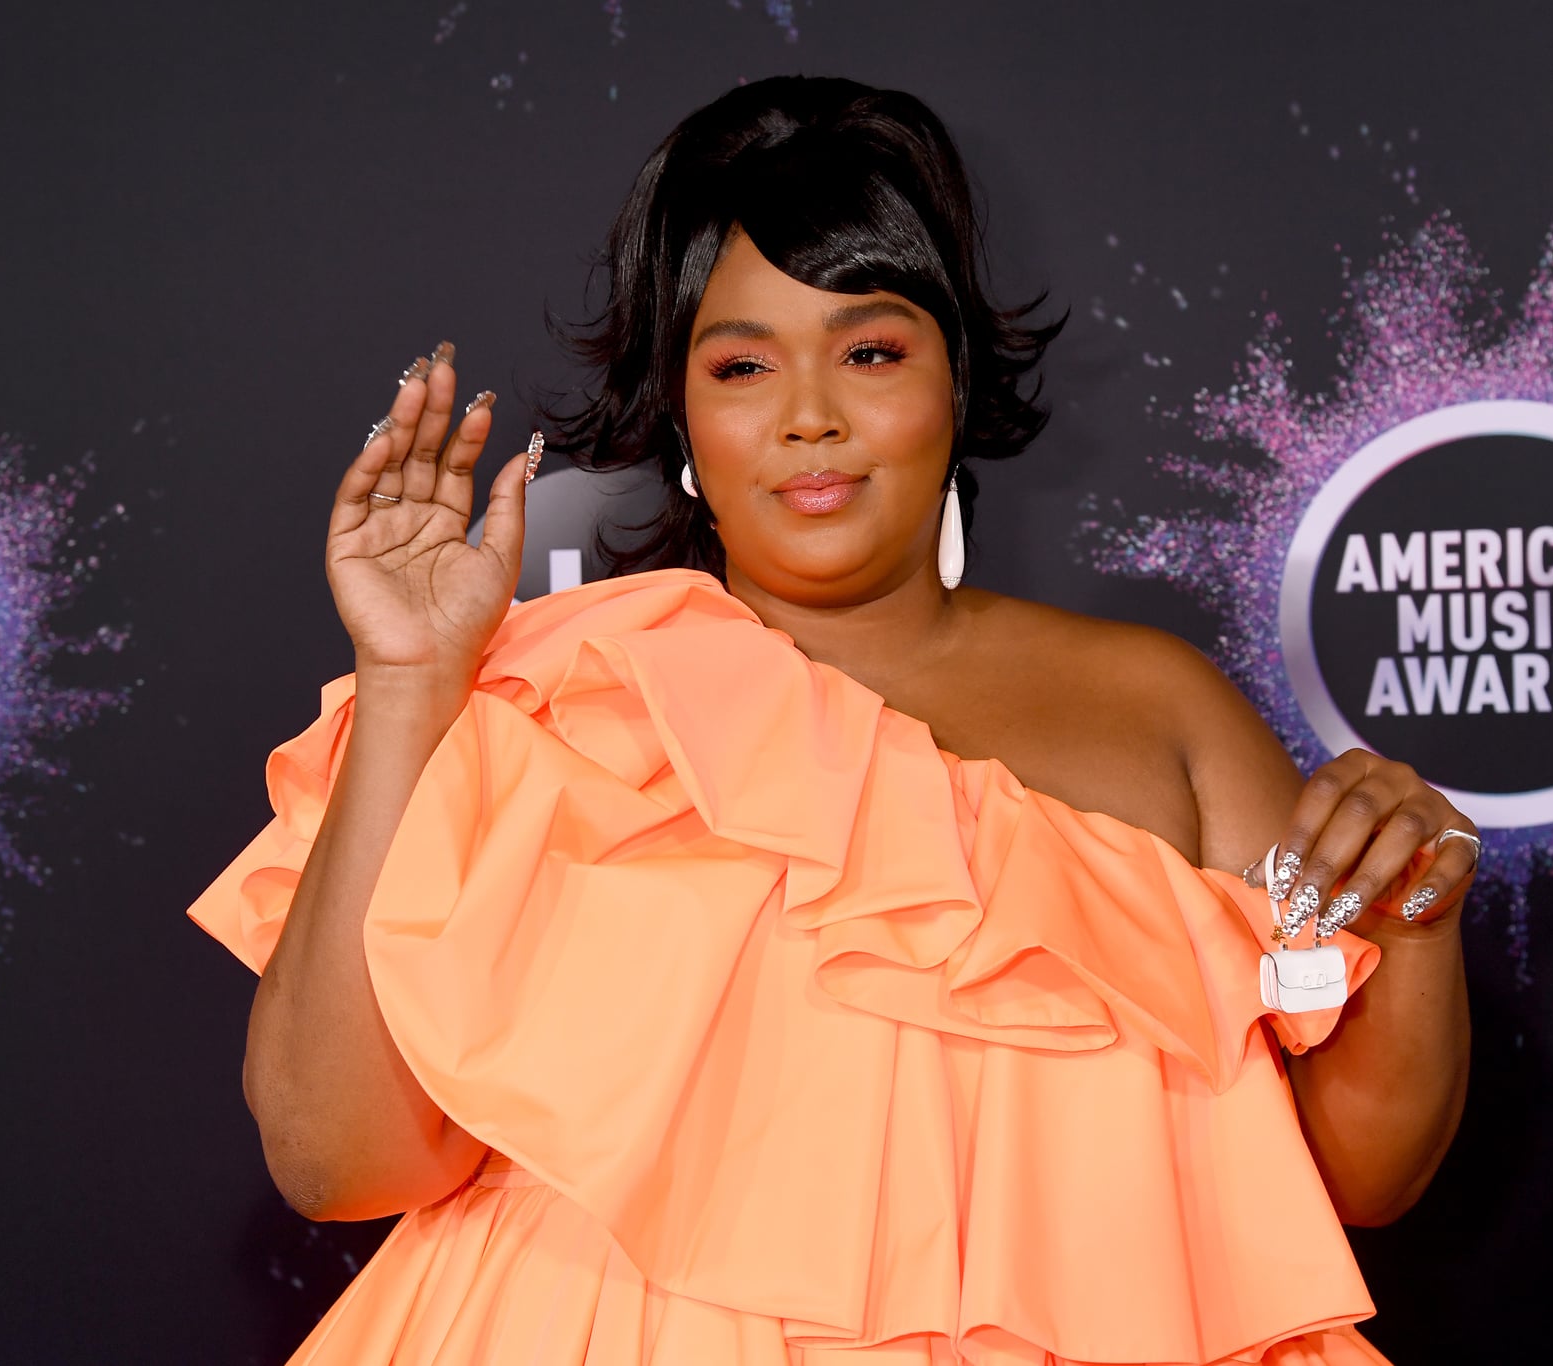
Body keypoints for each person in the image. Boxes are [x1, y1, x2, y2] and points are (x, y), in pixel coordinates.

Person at [191, 76, 1475, 1365]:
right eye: (743, 364)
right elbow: (338, 1159)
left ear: (954, 383)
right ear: (682, 412)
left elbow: (1355, 1178)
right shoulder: (550, 707)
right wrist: (412, 686)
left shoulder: (1160, 711)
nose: (809, 415)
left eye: (869, 351)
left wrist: (1412, 918)